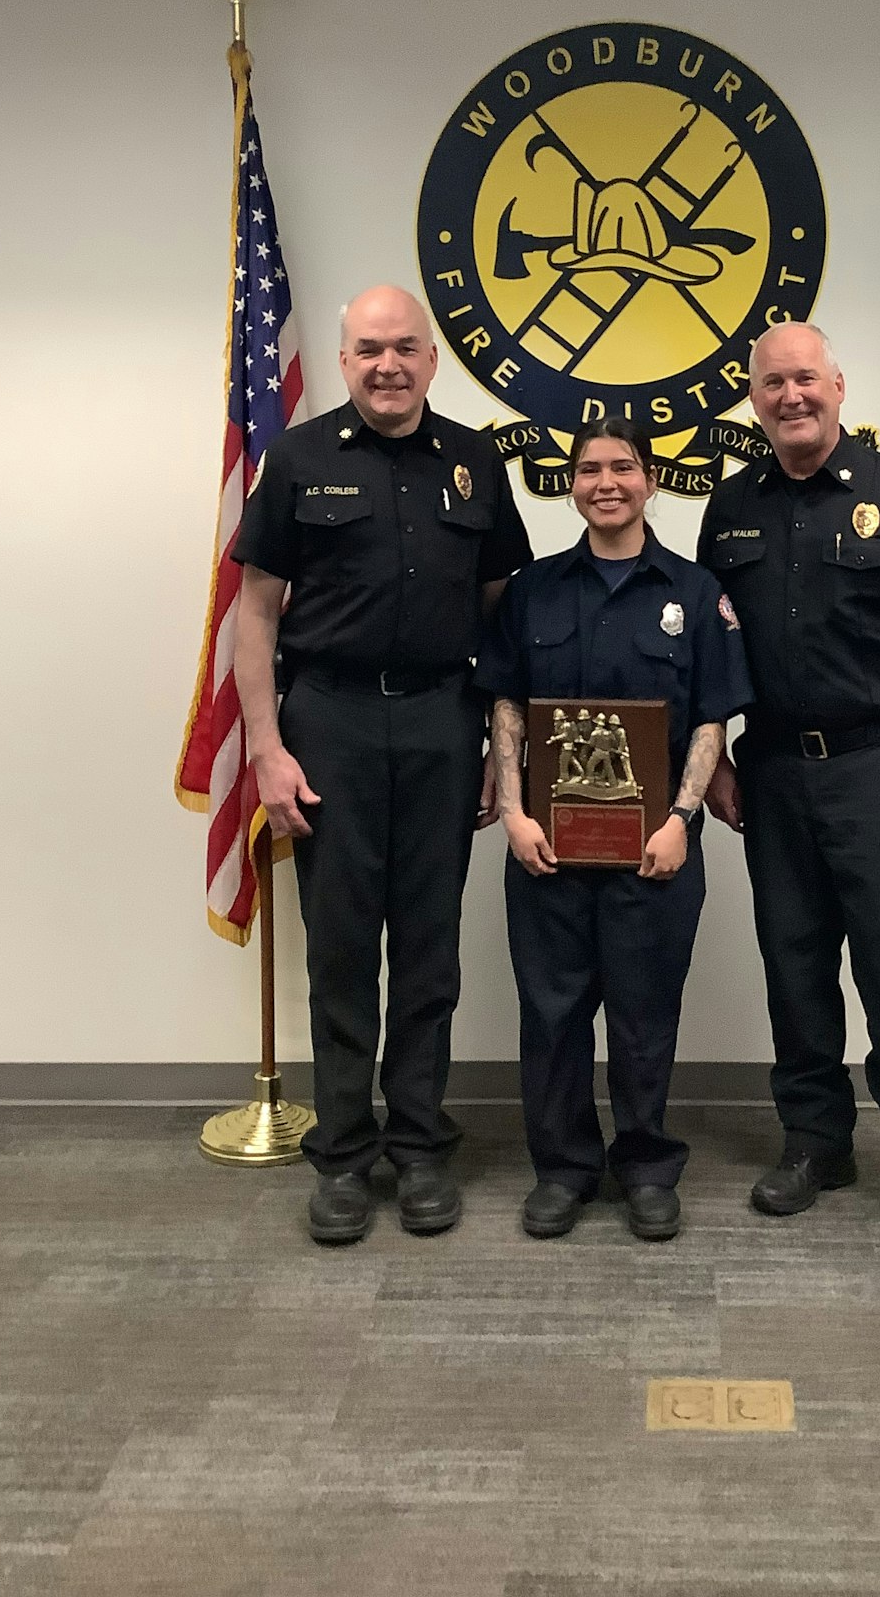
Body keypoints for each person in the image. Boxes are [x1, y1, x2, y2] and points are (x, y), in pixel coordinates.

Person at [233, 285, 532, 1244]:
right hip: (331, 723)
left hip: (444, 720)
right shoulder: (300, 456)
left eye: (405, 347)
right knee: (342, 948)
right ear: (346, 357)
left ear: (433, 357)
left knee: (430, 950)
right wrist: (270, 752)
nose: (388, 365)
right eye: (369, 350)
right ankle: (345, 1158)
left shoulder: (474, 459)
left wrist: (497, 745)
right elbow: (257, 614)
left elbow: (499, 609)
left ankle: (420, 1149)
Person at [697, 322, 880, 1256]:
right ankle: (816, 1142)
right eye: (773, 383)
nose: (791, 396)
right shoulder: (729, 508)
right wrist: (723, 760)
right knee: (796, 965)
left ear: (839, 385)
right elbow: (713, 648)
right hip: (773, 770)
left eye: (806, 378)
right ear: (754, 398)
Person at [478, 419, 753, 1242]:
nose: (606, 481)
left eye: (622, 467)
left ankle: (644, 1164)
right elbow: (507, 704)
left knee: (644, 1014)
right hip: (547, 850)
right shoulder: (533, 589)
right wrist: (514, 812)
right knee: (553, 1014)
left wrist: (683, 818)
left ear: (651, 480)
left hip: (656, 852)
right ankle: (563, 1169)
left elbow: (710, 718)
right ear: (571, 484)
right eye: (589, 468)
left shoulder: (696, 593)